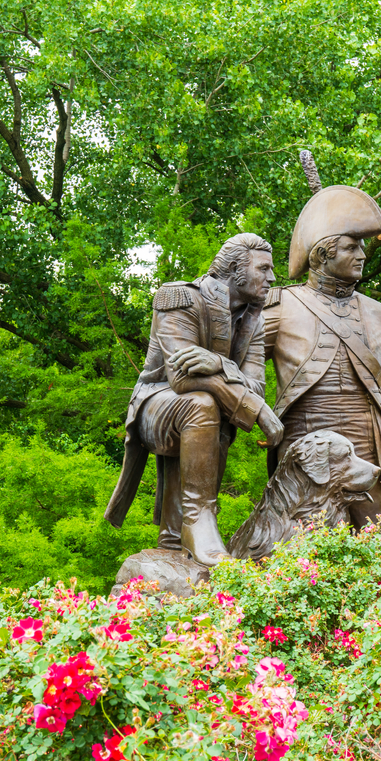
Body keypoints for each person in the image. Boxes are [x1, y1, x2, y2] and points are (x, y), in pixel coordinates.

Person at [104, 233, 283, 566]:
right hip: (154, 408)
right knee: (201, 402)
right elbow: (182, 377)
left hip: (206, 414)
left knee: (210, 406)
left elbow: (256, 387)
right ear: (235, 269)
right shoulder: (179, 298)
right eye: (264, 268)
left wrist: (220, 363)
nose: (272, 278)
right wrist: (256, 409)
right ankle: (198, 517)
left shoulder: (254, 320)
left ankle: (176, 537)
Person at [264, 182, 381, 528]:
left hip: (368, 440)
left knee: (371, 543)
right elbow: (246, 370)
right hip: (306, 441)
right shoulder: (280, 306)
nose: (362, 255)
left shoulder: (377, 313)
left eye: (361, 247)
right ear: (322, 254)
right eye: (351, 247)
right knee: (304, 545)